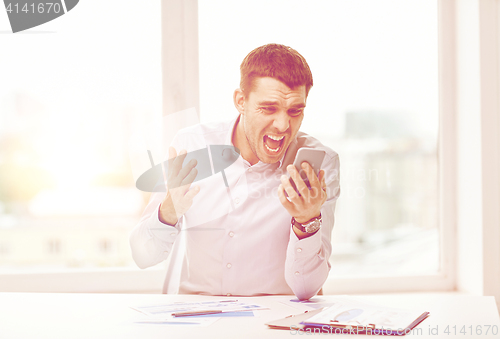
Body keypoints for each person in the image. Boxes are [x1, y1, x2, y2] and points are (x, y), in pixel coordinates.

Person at [130, 43, 340, 300]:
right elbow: (142, 255)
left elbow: (307, 288)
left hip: (272, 321)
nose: (284, 125)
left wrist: (307, 221)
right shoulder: (192, 147)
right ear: (241, 101)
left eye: (295, 111)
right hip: (196, 316)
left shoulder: (319, 166)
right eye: (269, 108)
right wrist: (169, 211)